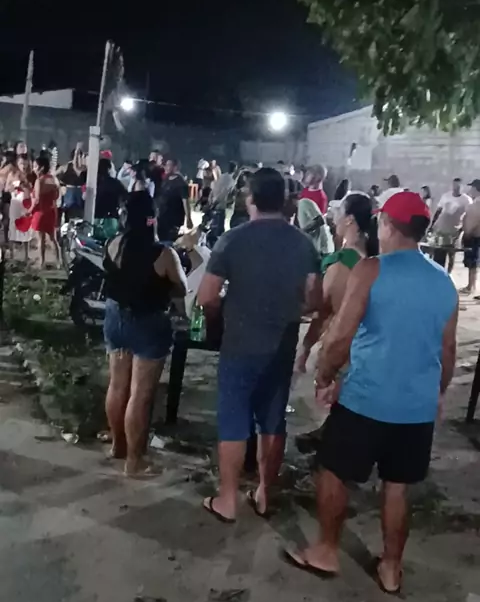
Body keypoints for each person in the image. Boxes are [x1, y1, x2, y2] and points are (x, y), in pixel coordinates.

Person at [284, 192, 458, 594]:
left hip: (366, 400)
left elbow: (340, 335)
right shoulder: (443, 281)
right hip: (415, 407)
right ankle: (391, 567)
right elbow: (447, 351)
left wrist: (325, 376)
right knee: (398, 486)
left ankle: (326, 550)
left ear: (389, 227)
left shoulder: (371, 269)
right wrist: (437, 392)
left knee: (333, 470)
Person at [197, 167, 322, 522]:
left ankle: (228, 500)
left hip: (240, 343)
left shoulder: (232, 240)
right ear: (283, 200)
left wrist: (221, 315)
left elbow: (207, 296)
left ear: (250, 199)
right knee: (272, 420)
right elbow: (315, 301)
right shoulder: (303, 243)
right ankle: (265, 493)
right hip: (281, 345)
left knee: (234, 420)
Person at [103, 190, 188, 477]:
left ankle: (118, 446)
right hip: (148, 323)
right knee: (140, 394)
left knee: (117, 385)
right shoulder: (163, 254)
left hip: (115, 318)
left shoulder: (114, 244)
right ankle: (134, 462)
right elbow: (182, 287)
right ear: (152, 219)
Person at [297, 192, 377, 373]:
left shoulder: (340, 264)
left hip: (342, 355)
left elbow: (323, 312)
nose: (334, 216)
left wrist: (304, 350)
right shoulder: (374, 260)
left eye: (339, 210)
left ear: (349, 219)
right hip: (368, 350)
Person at [431, 178, 471, 274]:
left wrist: (463, 229)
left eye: (458, 186)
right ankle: (438, 273)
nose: (455, 188)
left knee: (451, 253)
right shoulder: (446, 196)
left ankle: (448, 274)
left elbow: (468, 215)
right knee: (439, 253)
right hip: (441, 228)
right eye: (454, 185)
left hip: (454, 230)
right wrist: (433, 224)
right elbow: (438, 211)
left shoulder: (466, 200)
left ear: (462, 187)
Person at [31, 155, 61, 268]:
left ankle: (41, 262)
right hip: (51, 211)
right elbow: (57, 196)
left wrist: (29, 210)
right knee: (53, 238)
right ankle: (58, 261)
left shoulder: (39, 181)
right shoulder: (54, 179)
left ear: (41, 168)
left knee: (41, 239)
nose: (33, 169)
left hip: (41, 211)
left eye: (35, 166)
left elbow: (37, 200)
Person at [156, 158, 192, 241]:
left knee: (169, 240)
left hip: (174, 218)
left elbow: (185, 201)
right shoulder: (165, 179)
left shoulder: (181, 183)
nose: (166, 167)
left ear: (175, 167)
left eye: (169, 165)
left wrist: (188, 219)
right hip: (162, 216)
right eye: (166, 165)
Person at [208, 161, 236, 244]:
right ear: (235, 169)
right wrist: (215, 203)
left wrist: (211, 200)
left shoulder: (222, 176)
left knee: (213, 224)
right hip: (219, 205)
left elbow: (213, 188)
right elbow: (223, 193)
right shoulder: (231, 181)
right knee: (218, 227)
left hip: (213, 201)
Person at [94, 157, 126, 231]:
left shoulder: (93, 182)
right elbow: (125, 196)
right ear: (109, 169)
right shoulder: (115, 183)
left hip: (94, 217)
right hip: (111, 218)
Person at [461, 179, 480, 297]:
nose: (470, 190)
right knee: (472, 262)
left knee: (473, 262)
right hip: (472, 235)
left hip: (474, 236)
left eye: (472, 188)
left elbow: (476, 220)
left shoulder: (477, 204)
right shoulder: (474, 202)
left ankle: (471, 286)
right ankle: (470, 285)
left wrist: (469, 231)